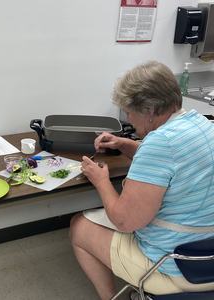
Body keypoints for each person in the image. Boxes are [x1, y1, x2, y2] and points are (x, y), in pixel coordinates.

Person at [69, 61, 214, 300]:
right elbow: (172, 164)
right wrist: (126, 144)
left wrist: (101, 180)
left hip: (177, 264)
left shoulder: (160, 144)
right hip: (207, 249)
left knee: (79, 226)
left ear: (148, 110)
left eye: (129, 112)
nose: (129, 119)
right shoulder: (201, 124)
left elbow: (126, 222)